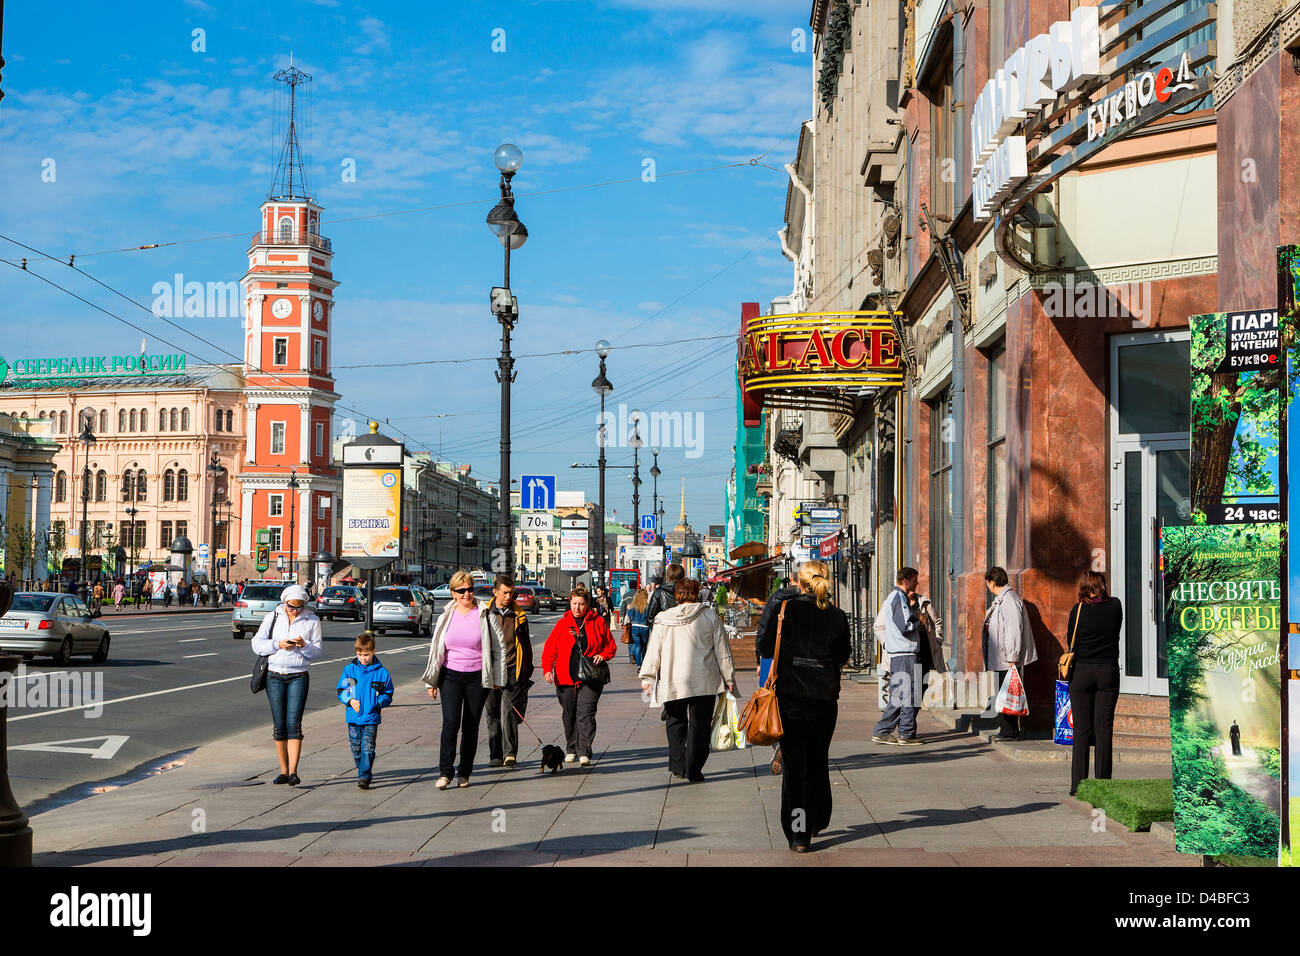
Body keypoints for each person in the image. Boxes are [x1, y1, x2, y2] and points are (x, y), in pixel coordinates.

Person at [755, 560, 850, 852]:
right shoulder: (837, 615)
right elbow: (844, 655)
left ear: (799, 582)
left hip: (790, 697)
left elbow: (765, 648)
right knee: (819, 759)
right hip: (823, 700)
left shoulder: (786, 610)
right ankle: (819, 819)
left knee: (796, 767)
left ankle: (799, 834)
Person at [639, 578, 737, 782]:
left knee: (675, 722)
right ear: (696, 593)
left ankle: (678, 765)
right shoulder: (709, 616)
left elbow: (653, 650)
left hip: (673, 679)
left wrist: (648, 676)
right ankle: (694, 768)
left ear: (677, 595)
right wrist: (728, 677)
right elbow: (722, 651)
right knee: (700, 726)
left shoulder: (663, 619)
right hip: (704, 680)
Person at [422, 570, 507, 790]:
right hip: (450, 676)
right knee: (450, 723)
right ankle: (445, 772)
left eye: (469, 589)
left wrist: (498, 678)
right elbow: (436, 651)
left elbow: (499, 648)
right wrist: (431, 681)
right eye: (461, 590)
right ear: (453, 593)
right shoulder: (445, 616)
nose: (466, 594)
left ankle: (464, 772)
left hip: (477, 677)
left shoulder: (485, 614)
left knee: (470, 726)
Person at [250, 584, 323, 786]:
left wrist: (303, 645)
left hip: (298, 675)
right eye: (292, 607)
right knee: (279, 725)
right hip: (274, 675)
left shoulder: (312, 620)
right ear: (284, 603)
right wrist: (278, 644)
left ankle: (293, 772)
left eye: (300, 607)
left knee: (294, 724)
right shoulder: (272, 617)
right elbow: (257, 644)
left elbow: (317, 652)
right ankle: (283, 771)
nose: (295, 611)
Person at [541, 585, 617, 767]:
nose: (577, 608)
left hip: (590, 677)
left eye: (581, 604)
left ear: (587, 604)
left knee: (586, 713)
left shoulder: (597, 622)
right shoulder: (562, 624)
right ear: (570, 603)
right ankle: (571, 748)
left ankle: (584, 751)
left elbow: (611, 645)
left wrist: (603, 655)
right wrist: (547, 669)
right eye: (574, 603)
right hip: (565, 677)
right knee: (569, 714)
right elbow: (550, 648)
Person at [1064, 570, 1122, 795]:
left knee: (1081, 729)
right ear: (1102, 585)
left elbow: (1071, 641)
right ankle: (1103, 785)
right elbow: (1116, 631)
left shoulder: (1078, 610)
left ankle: (1078, 785)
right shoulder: (1115, 606)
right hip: (1107, 671)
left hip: (1082, 673)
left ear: (1084, 587)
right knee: (1104, 729)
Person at [483, 574, 534, 769]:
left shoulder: (519, 615)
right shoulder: (485, 613)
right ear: (495, 592)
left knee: (510, 712)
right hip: (490, 669)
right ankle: (495, 754)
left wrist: (528, 669)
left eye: (511, 593)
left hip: (513, 667)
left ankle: (510, 753)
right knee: (492, 712)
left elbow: (526, 644)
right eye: (504, 592)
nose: (508, 596)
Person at [983, 566, 1039, 741]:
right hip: (1003, 658)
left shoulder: (1009, 600)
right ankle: (1006, 729)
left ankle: (1010, 730)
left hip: (1007, 659)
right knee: (1005, 693)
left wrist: (1012, 658)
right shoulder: (1003, 600)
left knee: (1008, 694)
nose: (988, 587)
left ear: (992, 583)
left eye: (988, 583)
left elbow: (1014, 630)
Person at [872, 568, 926, 746]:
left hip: (898, 653)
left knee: (899, 695)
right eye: (915, 580)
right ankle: (905, 733)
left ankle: (884, 730)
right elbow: (906, 626)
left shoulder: (893, 598)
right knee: (909, 694)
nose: (916, 584)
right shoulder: (899, 598)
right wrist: (920, 622)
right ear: (906, 580)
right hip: (904, 653)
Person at [336, 633, 395, 789]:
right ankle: (363, 769)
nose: (363, 658)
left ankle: (364, 776)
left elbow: (388, 693)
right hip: (353, 716)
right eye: (360, 654)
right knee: (356, 748)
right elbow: (342, 690)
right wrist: (350, 700)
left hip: (371, 717)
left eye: (367, 654)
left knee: (368, 747)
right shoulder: (350, 670)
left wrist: (377, 702)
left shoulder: (382, 673)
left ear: (374, 651)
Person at [645, 564, 685, 629]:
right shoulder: (687, 592)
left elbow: (650, 616)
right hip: (682, 630)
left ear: (667, 575)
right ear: (682, 576)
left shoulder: (659, 591)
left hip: (664, 630)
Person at [625, 588, 651, 669]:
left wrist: (629, 610)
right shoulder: (647, 606)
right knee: (644, 646)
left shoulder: (633, 606)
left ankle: (638, 665)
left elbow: (631, 616)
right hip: (644, 627)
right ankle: (644, 663)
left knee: (637, 646)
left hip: (635, 627)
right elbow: (649, 617)